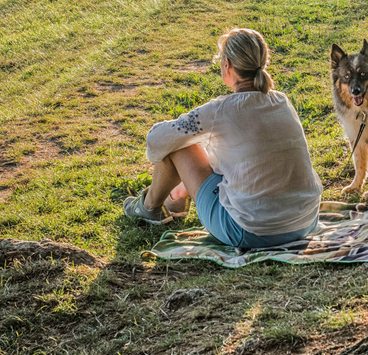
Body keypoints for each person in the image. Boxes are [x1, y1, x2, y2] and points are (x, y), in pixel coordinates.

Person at [124, 27, 322, 249]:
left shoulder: (221, 111)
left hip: (250, 231)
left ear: (227, 64)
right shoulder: (282, 102)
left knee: (180, 145)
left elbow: (157, 139)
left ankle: (149, 207)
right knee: (220, 149)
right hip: (305, 221)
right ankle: (176, 198)